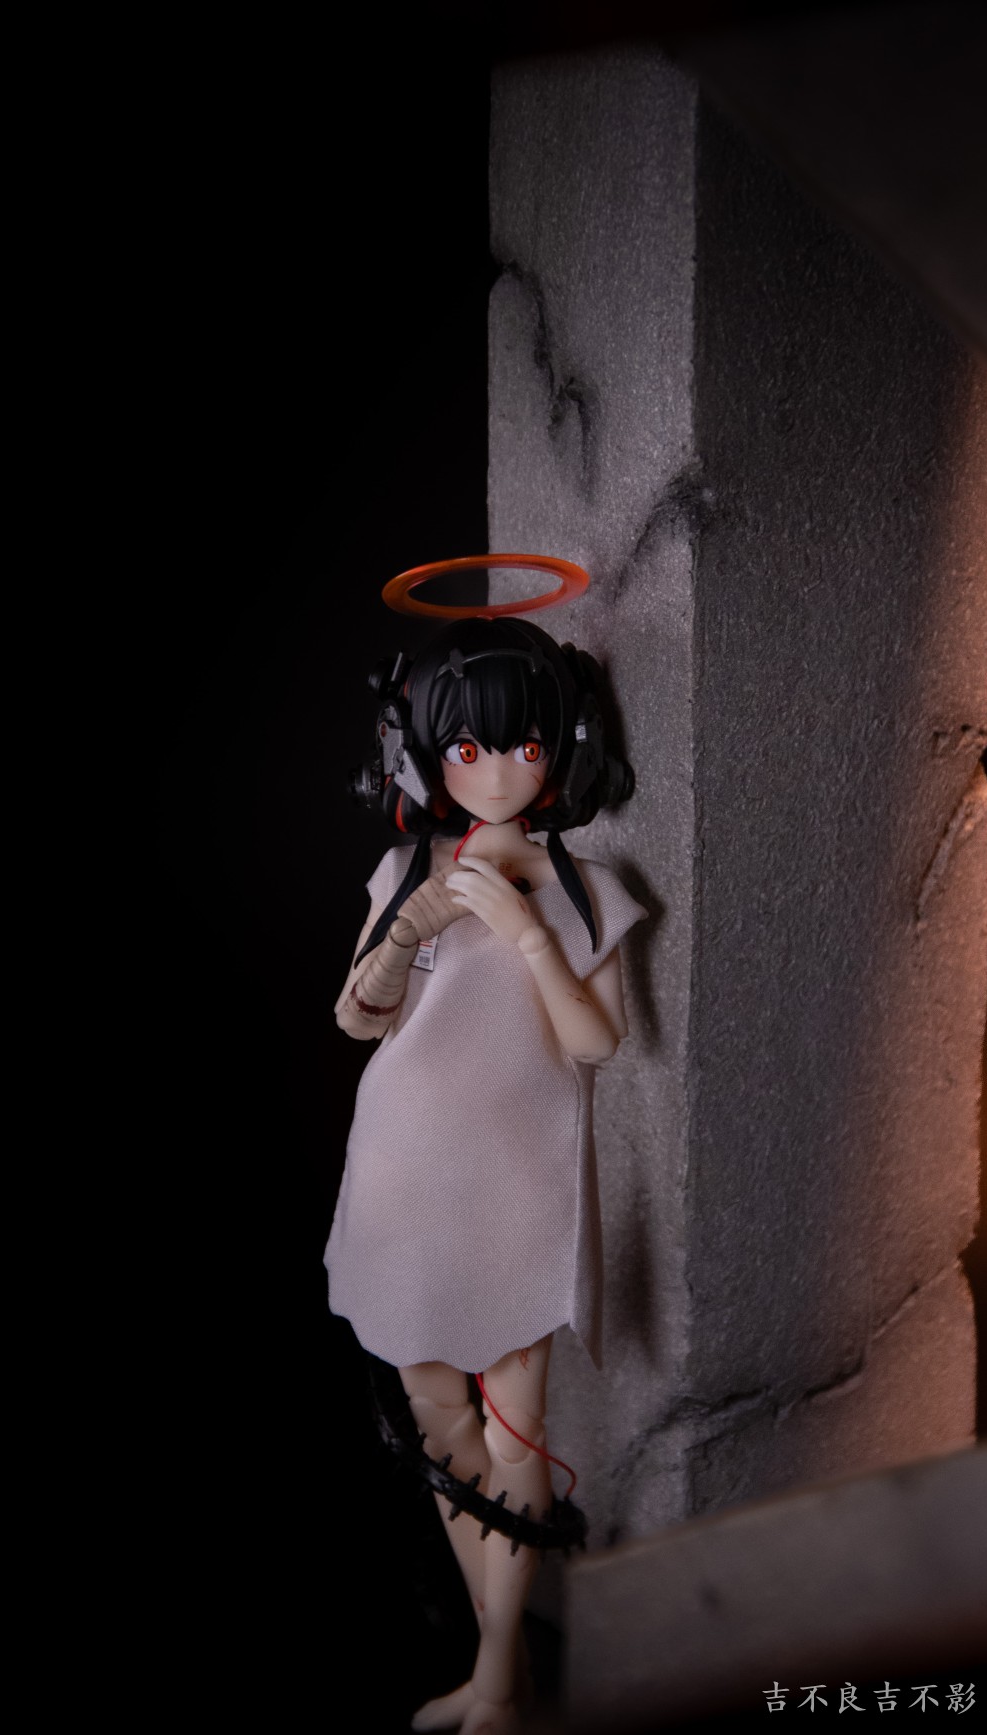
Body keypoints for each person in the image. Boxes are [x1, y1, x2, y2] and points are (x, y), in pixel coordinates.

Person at [325, 614, 643, 1734]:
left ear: (561, 750)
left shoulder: (582, 884)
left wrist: (527, 933)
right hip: (402, 1172)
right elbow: (356, 1018)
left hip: (519, 1183)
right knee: (437, 1415)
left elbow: (597, 1040)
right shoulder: (404, 868)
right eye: (468, 749)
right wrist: (410, 925)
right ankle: (497, 1659)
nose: (498, 772)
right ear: (424, 754)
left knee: (515, 1428)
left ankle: (501, 1673)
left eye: (523, 745)